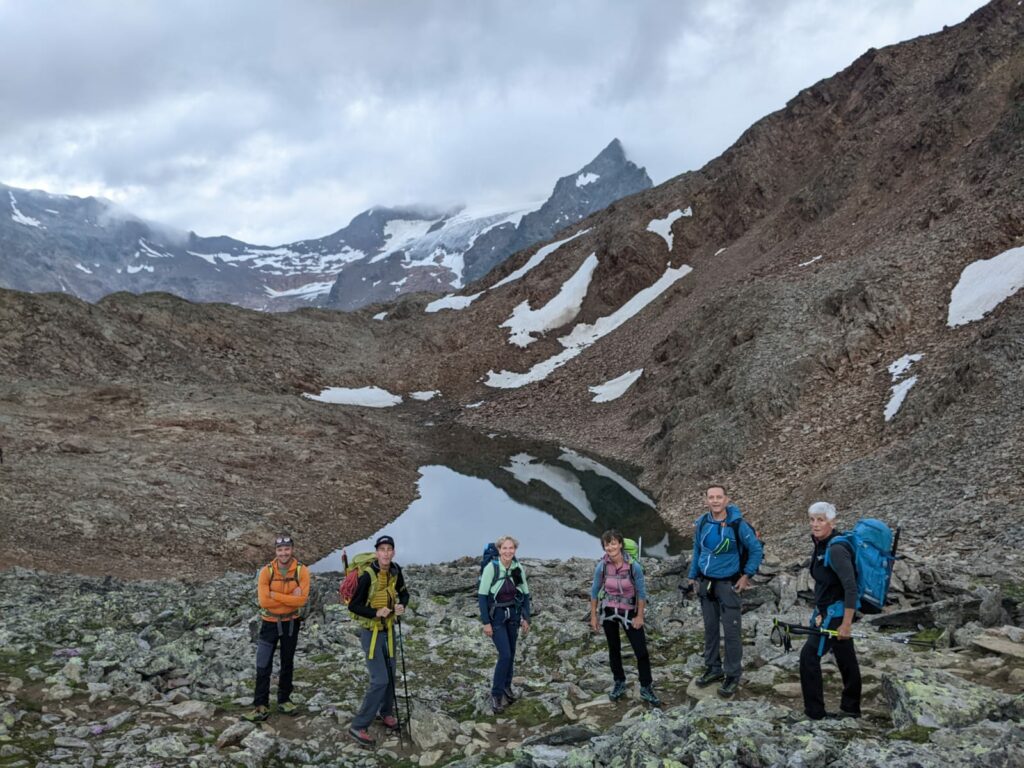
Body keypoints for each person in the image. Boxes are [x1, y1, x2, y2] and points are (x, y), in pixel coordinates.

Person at [686, 484, 763, 697]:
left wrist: (746, 575)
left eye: (719, 497)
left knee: (731, 632)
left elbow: (756, 549)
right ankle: (713, 667)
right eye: (711, 497)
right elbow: (698, 549)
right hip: (705, 582)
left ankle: (732, 674)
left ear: (726, 499)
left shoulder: (737, 524)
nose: (715, 501)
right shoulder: (703, 521)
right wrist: (693, 575)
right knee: (710, 629)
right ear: (706, 500)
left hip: (728, 584)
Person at [800, 501, 862, 720]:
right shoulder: (821, 544)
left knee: (808, 657)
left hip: (835, 613)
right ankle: (851, 708)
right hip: (826, 611)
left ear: (832, 522)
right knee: (846, 657)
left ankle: (815, 714)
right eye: (812, 519)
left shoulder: (835, 549)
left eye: (821, 519)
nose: (815, 524)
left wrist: (846, 623)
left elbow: (850, 587)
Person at [347, 535, 409, 746]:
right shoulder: (367, 576)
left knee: (391, 675)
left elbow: (404, 593)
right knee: (379, 680)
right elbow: (353, 606)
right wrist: (375, 612)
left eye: (389, 549)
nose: (386, 553)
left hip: (389, 630)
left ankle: (386, 712)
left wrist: (402, 606)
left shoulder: (395, 570)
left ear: (393, 552)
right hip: (371, 633)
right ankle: (359, 725)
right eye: (382, 549)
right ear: (376, 553)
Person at [243, 533, 310, 722]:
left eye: (287, 549)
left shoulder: (301, 571)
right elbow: (264, 601)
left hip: (291, 623)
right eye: (280, 550)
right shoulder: (266, 571)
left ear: (292, 550)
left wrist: (275, 594)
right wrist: (290, 597)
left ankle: (284, 700)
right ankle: (260, 705)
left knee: (287, 662)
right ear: (276, 551)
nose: (283, 553)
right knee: (263, 664)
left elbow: (302, 601)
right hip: (269, 623)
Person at [590, 530, 660, 706]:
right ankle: (619, 682)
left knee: (641, 651)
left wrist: (640, 616)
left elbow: (642, 593)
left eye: (613, 543)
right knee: (614, 649)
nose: (610, 547)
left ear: (620, 544)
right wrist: (593, 616)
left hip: (630, 611)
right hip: (609, 611)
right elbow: (594, 592)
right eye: (607, 544)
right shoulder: (602, 566)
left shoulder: (633, 566)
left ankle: (646, 686)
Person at [478, 535, 531, 713]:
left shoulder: (517, 567)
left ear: (515, 550)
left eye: (511, 548)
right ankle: (496, 694)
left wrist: (526, 617)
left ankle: (507, 687)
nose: (508, 551)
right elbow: (482, 596)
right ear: (499, 550)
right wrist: (486, 622)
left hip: (513, 615)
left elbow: (524, 594)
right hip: (497, 616)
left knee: (512, 652)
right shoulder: (491, 568)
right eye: (504, 548)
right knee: (505, 654)